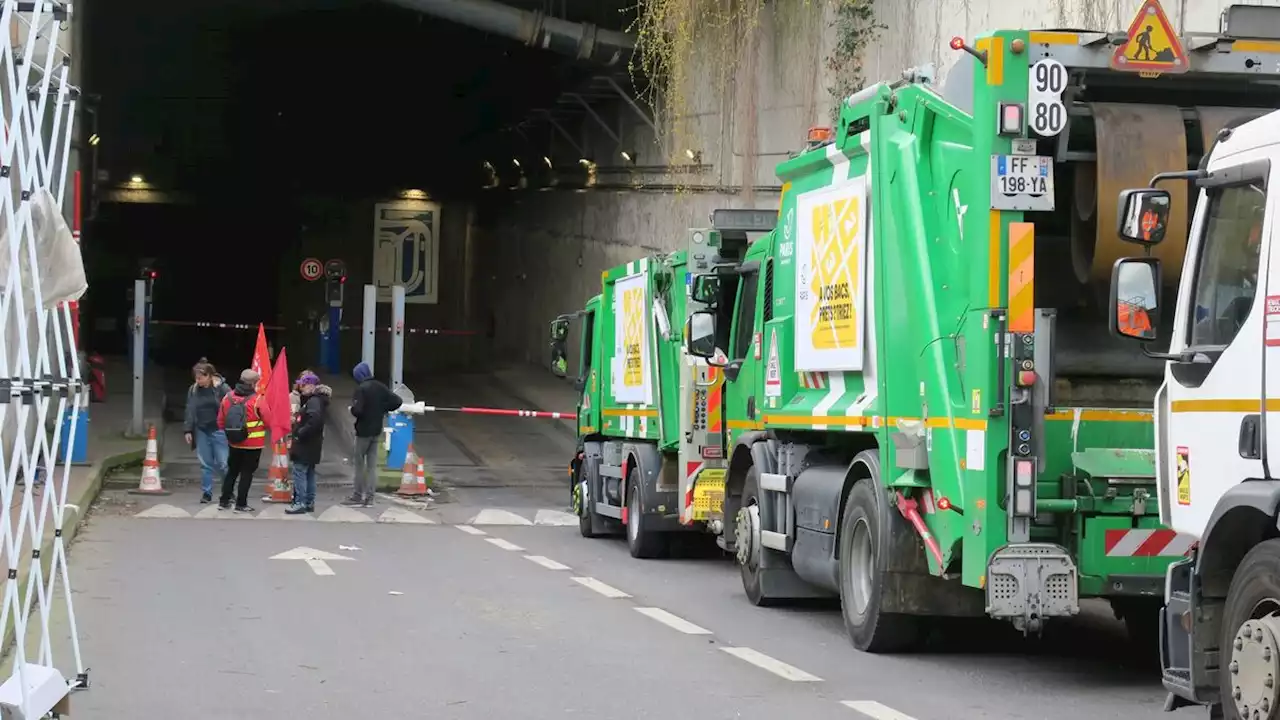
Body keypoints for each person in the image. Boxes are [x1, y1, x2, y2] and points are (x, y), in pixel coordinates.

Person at [216, 368, 273, 512]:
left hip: (233, 442)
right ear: (253, 383)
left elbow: (220, 422)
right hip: (253, 445)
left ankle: (224, 501)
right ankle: (241, 504)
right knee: (246, 473)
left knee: (232, 472)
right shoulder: (258, 400)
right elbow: (269, 421)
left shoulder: (227, 397)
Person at [347, 362, 402, 507]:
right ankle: (370, 497)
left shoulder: (361, 389)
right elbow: (397, 401)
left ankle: (357, 495)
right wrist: (382, 409)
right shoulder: (380, 386)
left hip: (363, 431)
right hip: (376, 430)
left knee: (359, 464)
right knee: (372, 466)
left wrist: (351, 409)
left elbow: (358, 411)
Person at [183, 358, 230, 503]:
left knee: (223, 464)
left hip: (219, 430)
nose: (198, 381)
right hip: (202, 429)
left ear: (210, 376)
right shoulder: (194, 389)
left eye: (201, 378)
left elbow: (231, 408)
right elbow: (190, 409)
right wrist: (188, 430)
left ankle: (228, 492)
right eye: (196, 378)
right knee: (205, 464)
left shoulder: (222, 389)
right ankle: (207, 493)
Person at [287, 372, 331, 515]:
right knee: (310, 473)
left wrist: (300, 433)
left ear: (312, 386)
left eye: (304, 385)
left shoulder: (313, 402)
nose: (301, 387)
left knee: (299, 472)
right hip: (313, 444)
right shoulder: (318, 400)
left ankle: (300, 502)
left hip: (305, 444)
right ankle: (308, 502)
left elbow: (314, 421)